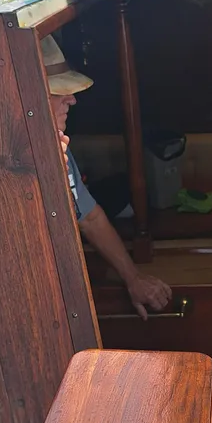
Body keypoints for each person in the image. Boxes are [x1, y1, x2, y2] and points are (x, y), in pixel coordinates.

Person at [41, 35, 172, 321]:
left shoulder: (59, 146)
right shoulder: (18, 158)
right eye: (59, 91)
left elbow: (90, 217)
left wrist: (133, 277)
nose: (72, 99)